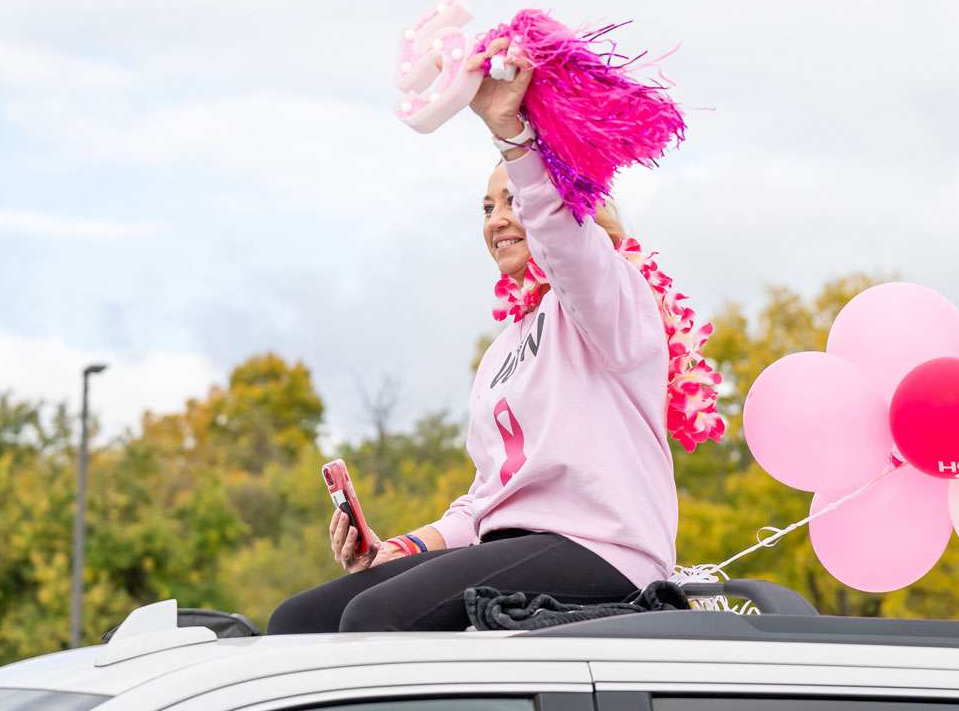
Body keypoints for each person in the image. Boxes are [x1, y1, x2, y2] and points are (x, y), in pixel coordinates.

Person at [267, 37, 678, 634]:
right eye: (486, 208)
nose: (500, 219)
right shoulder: (504, 351)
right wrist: (400, 549)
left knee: (374, 619)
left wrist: (512, 135)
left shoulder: (608, 300)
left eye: (514, 200)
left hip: (603, 550)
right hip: (509, 545)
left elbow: (565, 242)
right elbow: (487, 499)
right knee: (300, 619)